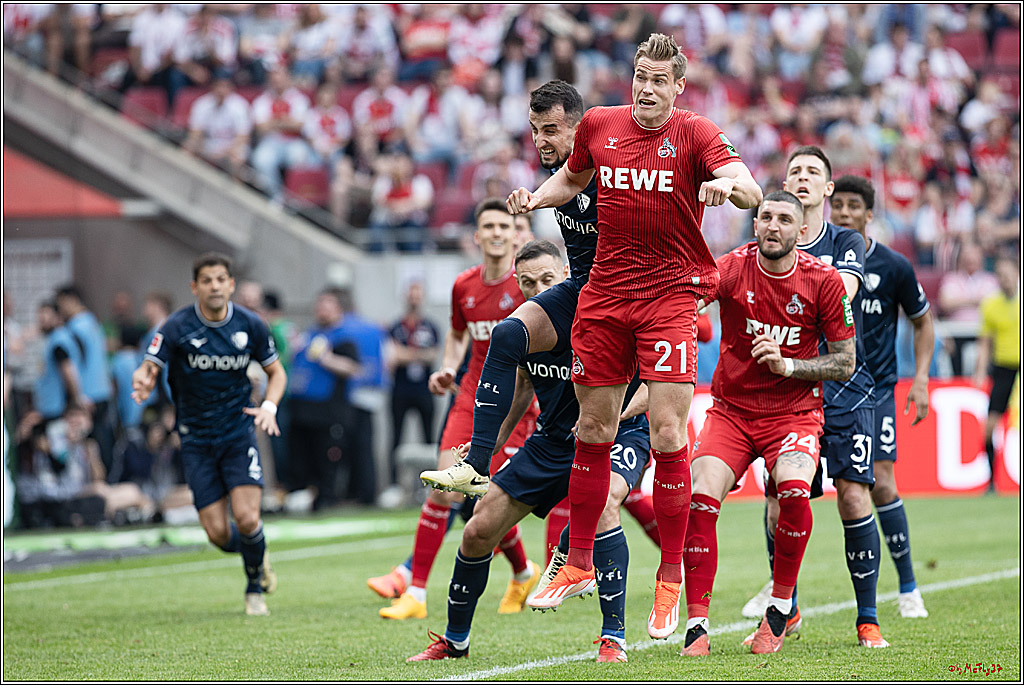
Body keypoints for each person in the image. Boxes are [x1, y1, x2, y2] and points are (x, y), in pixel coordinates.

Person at [504, 34, 761, 639]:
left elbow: (748, 185)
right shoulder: (599, 123)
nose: (646, 88)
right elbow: (572, 179)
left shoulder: (696, 133)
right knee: (592, 428)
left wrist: (727, 188)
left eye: (658, 80)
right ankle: (578, 563)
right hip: (604, 297)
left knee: (668, 432)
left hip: (669, 297)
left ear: (678, 86)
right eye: (640, 76)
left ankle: (670, 576)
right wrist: (536, 198)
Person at [420, 78, 660, 569]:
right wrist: (532, 199)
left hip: (625, 302)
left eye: (550, 130)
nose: (540, 140)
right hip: (583, 294)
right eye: (534, 130)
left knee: (617, 484)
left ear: (580, 127)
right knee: (508, 333)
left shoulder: (617, 171)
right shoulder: (561, 176)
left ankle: (663, 572)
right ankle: (478, 464)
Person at [410, 240, 651, 664]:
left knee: (605, 506)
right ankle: (455, 641)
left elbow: (656, 381)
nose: (538, 290)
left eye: (546, 280)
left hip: (618, 435)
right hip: (552, 442)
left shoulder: (605, 314)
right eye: (527, 283)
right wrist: (488, 446)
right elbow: (521, 390)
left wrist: (615, 416)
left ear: (566, 276)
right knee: (478, 528)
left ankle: (613, 639)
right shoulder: (529, 328)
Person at [675, 190, 854, 656]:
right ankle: (696, 626)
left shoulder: (824, 280)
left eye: (784, 220)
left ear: (801, 230)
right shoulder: (732, 268)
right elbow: (687, 303)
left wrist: (788, 366)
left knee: (793, 490)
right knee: (700, 497)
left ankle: (779, 609)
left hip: (793, 413)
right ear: (755, 225)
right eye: (766, 217)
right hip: (731, 412)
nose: (773, 225)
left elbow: (845, 361)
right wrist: (686, 315)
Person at [742, 146, 889, 649]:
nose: (802, 177)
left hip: (844, 388)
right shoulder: (766, 241)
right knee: (778, 499)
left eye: (812, 172)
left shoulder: (844, 240)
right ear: (785, 185)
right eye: (795, 171)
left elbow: (842, 292)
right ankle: (787, 606)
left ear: (826, 189)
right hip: (784, 393)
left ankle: (867, 619)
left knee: (853, 495)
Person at [367, 198, 539, 621]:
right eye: (489, 226)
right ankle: (416, 594)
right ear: (476, 236)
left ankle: (522, 571)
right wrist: (447, 367)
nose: (497, 233)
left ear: (516, 235)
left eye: (505, 226)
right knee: (444, 489)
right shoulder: (464, 285)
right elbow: (458, 335)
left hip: (516, 402)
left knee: (486, 504)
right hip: (469, 398)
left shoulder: (527, 286)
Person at [131, 253, 287, 616]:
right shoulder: (176, 326)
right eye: (207, 280)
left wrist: (269, 406)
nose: (214, 286)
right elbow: (150, 364)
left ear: (231, 285)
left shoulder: (251, 325)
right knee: (217, 533)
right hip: (196, 439)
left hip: (237, 433)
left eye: (220, 280)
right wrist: (143, 377)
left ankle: (254, 589)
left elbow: (276, 373)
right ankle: (257, 552)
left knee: (247, 518)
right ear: (194, 287)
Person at [830, 174, 934, 618]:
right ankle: (782, 597)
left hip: (874, 390)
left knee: (880, 480)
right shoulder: (813, 258)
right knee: (786, 484)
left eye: (853, 205)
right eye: (838, 204)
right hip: (819, 386)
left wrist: (922, 379)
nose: (844, 213)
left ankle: (908, 586)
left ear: (869, 214)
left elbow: (923, 321)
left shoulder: (893, 266)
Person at [286, 288, 361, 510]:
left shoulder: (344, 338)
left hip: (327, 412)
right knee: (300, 459)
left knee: (326, 459)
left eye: (327, 306)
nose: (322, 310)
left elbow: (353, 368)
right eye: (319, 305)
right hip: (301, 410)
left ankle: (326, 498)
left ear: (338, 309)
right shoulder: (308, 335)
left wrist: (326, 358)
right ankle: (301, 497)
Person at [973, 256, 1020, 493]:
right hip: (1003, 369)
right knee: (989, 427)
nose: (1005, 279)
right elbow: (985, 343)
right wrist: (980, 370)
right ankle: (992, 481)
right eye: (1000, 275)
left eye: (1008, 274)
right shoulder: (991, 305)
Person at [56, 286, 115, 472]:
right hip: (102, 390)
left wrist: (77, 395)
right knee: (102, 438)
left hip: (87, 394)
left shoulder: (74, 328)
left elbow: (71, 366)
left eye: (61, 303)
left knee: (91, 443)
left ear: (71, 300)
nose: (60, 309)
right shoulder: (92, 321)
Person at [386, 282, 441, 487]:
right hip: (400, 390)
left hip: (424, 390)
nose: (414, 299)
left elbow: (433, 355)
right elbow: (392, 357)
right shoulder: (396, 327)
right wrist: (418, 355)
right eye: (411, 295)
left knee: (428, 437)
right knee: (396, 436)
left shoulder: (430, 326)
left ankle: (428, 483)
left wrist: (406, 354)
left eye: (418, 295)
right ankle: (394, 484)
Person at [34, 300, 87, 423]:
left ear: (58, 317)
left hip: (57, 406)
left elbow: (68, 371)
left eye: (46, 316)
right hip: (51, 405)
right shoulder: (59, 337)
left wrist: (76, 399)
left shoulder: (58, 341)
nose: (42, 320)